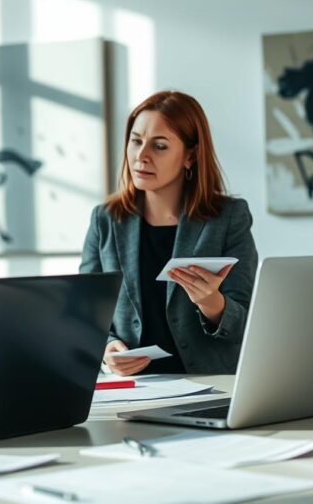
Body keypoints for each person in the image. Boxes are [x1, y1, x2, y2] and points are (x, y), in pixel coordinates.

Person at [80, 90, 258, 376]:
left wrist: (210, 301)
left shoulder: (228, 217)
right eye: (136, 141)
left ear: (190, 156)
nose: (141, 156)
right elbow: (85, 313)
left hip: (209, 386)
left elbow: (244, 325)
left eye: (159, 146)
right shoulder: (106, 220)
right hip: (136, 391)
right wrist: (107, 349)